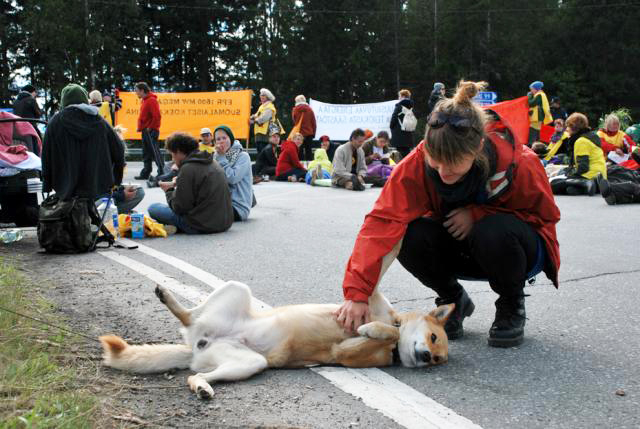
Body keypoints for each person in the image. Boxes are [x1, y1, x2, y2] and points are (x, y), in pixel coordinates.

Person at [334, 80, 561, 349]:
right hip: (459, 246)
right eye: (435, 161)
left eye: (452, 166)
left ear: (477, 149)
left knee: (492, 229)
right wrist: (358, 294)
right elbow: (382, 222)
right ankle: (453, 300)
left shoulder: (521, 163)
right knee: (407, 231)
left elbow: (543, 220)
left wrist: (478, 213)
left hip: (512, 252)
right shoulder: (417, 163)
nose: (441, 172)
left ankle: (511, 305)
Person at [42, 83, 125, 202]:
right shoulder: (99, 120)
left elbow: (46, 156)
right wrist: (116, 180)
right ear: (85, 99)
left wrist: (47, 185)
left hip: (65, 189)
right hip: (98, 186)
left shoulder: (55, 122)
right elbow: (118, 149)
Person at [148, 132, 233, 234]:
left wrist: (169, 190)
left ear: (178, 152)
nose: (173, 159)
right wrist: (179, 183)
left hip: (201, 225)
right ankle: (173, 226)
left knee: (153, 208)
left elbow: (179, 207)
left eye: (172, 154)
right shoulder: (212, 162)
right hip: (224, 222)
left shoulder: (188, 168)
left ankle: (177, 226)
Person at [550, 113, 607, 196]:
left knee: (553, 184)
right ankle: (588, 186)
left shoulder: (581, 141)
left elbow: (583, 167)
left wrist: (570, 175)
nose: (566, 130)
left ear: (574, 127)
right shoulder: (591, 137)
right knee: (570, 189)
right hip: (600, 176)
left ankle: (585, 183)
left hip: (589, 175)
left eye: (568, 127)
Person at [213, 125, 254, 221]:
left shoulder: (243, 156)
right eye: (218, 139)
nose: (221, 141)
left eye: (224, 137)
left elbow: (232, 178)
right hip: (221, 202)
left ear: (230, 139)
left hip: (238, 207)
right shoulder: (216, 156)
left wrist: (222, 158)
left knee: (203, 214)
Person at [134, 82, 164, 180]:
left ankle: (162, 172)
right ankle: (146, 173)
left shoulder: (151, 100)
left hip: (150, 131)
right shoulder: (145, 100)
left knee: (155, 152)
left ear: (142, 90)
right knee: (146, 153)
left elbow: (157, 116)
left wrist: (151, 127)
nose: (136, 93)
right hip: (146, 131)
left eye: (137, 91)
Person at [249, 88, 279, 155]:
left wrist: (253, 121)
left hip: (266, 134)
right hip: (260, 134)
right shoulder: (261, 107)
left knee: (265, 153)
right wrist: (250, 117)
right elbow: (256, 115)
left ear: (267, 97)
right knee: (260, 153)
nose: (261, 96)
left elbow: (263, 118)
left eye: (263, 95)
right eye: (261, 95)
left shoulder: (270, 107)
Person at [390, 89, 416, 159]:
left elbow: (394, 118)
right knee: (407, 153)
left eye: (399, 96)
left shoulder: (399, 106)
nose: (398, 98)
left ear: (403, 96)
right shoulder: (411, 106)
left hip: (399, 134)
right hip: (408, 132)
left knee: (399, 154)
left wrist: (391, 126)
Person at [291, 94, 317, 161]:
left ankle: (300, 167)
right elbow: (313, 123)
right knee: (309, 152)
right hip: (309, 134)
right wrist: (313, 134)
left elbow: (294, 122)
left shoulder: (295, 110)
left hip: (299, 134)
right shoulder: (310, 110)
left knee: (299, 152)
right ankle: (309, 167)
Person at [527, 81, 553, 146]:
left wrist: (529, 96)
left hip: (537, 116)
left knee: (533, 131)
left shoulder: (539, 95)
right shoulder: (540, 94)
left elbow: (531, 103)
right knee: (536, 131)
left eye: (532, 89)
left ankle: (531, 145)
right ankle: (536, 145)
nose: (531, 91)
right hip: (538, 116)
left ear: (536, 89)